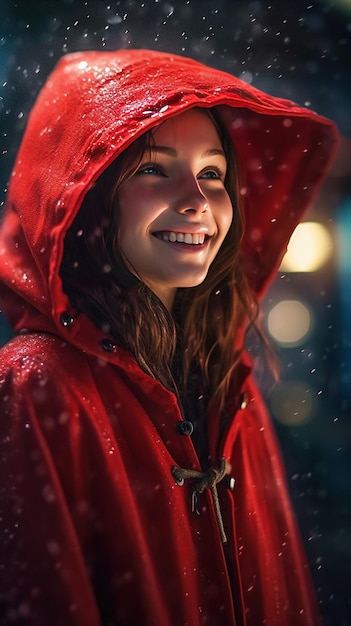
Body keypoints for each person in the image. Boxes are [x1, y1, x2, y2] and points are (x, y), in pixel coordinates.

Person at [0, 49, 338, 626]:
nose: (198, 201)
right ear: (84, 198)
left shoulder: (228, 381)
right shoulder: (34, 386)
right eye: (154, 169)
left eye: (212, 173)